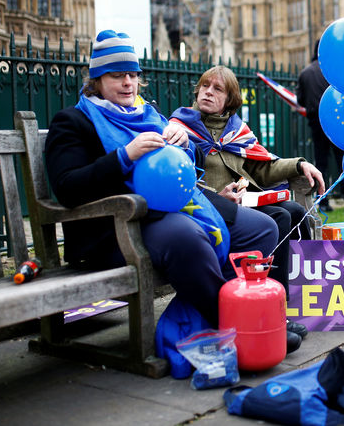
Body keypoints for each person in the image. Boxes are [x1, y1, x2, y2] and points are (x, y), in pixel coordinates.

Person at [45, 30, 303, 358]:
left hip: (176, 209)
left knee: (264, 228)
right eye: (117, 75)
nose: (128, 83)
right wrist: (124, 156)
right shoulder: (73, 121)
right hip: (119, 227)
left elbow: (187, 166)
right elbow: (67, 187)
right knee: (189, 238)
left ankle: (210, 311)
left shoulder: (148, 115)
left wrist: (186, 144)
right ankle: (236, 326)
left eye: (133, 75)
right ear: (96, 79)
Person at [170, 65, 324, 341]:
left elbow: (262, 169)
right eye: (205, 86)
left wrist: (301, 165)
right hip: (208, 207)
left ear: (229, 100)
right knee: (280, 217)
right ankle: (267, 308)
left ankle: (282, 303)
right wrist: (219, 195)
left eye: (217, 89)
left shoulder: (236, 131)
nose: (208, 92)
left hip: (243, 203)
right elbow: (180, 179)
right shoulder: (180, 127)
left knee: (295, 211)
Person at [297, 38, 344, 212]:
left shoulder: (305, 73)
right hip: (336, 122)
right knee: (343, 161)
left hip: (316, 123)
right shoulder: (333, 71)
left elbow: (300, 100)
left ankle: (323, 201)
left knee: (321, 162)